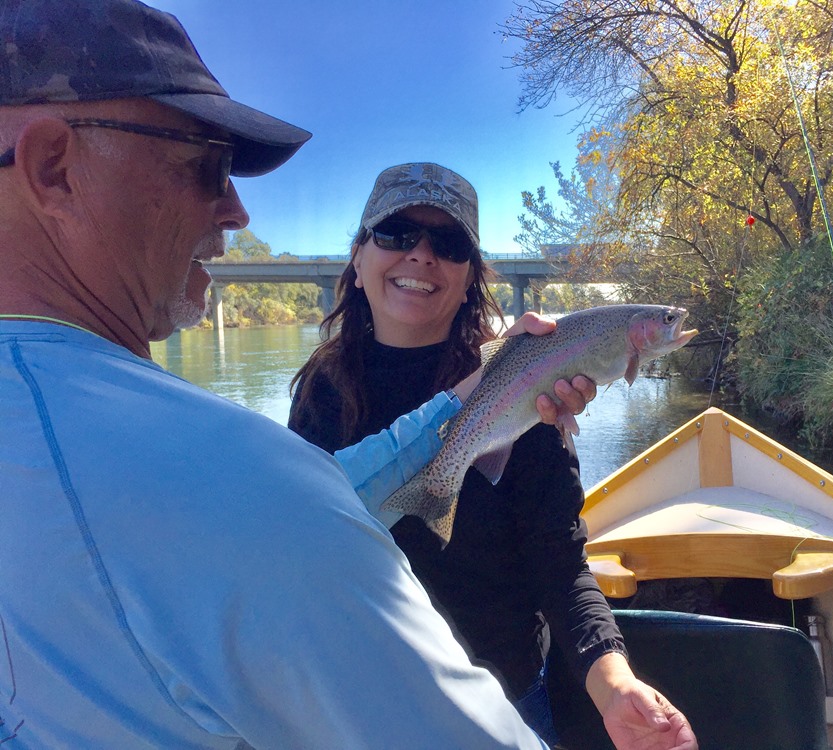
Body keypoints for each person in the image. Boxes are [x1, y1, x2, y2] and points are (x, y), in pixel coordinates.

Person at [0, 2, 609, 748]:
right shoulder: (274, 443)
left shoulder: (204, 477)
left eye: (448, 244)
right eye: (207, 165)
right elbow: (296, 515)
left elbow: (320, 502)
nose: (236, 208)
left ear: (470, 272)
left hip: (517, 682)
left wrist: (483, 389)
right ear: (54, 167)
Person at [288, 162, 698, 750]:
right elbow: (300, 543)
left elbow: (559, 561)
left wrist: (614, 685)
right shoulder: (320, 391)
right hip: (360, 699)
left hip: (503, 700)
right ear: (357, 259)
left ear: (469, 275)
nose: (422, 255)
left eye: (448, 244)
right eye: (397, 233)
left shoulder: (532, 387)